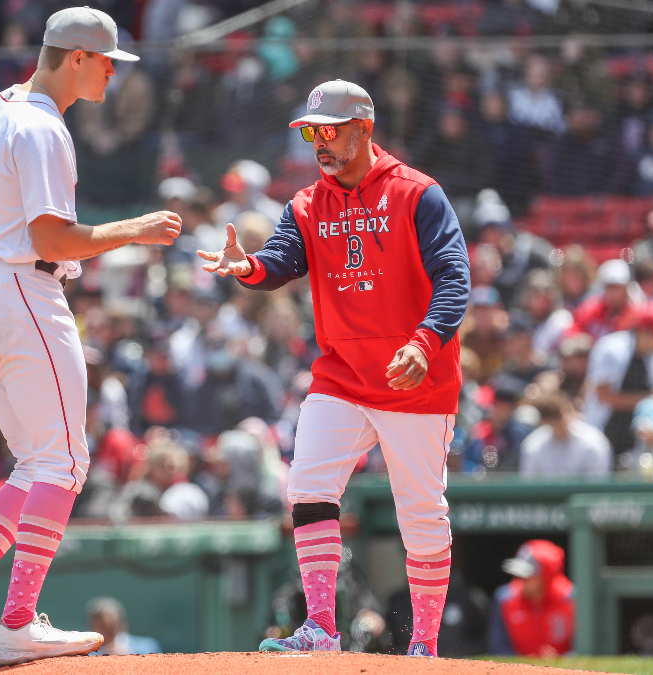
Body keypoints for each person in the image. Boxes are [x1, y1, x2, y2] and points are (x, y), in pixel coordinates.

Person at [0, 7, 180, 669]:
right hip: (24, 289)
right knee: (64, 464)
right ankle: (18, 620)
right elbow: (52, 239)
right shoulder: (42, 126)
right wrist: (134, 228)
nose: (114, 72)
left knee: (36, 464)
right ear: (78, 56)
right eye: (109, 59)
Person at [198, 79, 471, 658]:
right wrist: (246, 266)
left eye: (331, 130)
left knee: (421, 512)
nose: (319, 142)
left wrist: (424, 344)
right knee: (308, 488)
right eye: (312, 131)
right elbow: (280, 262)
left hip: (412, 376)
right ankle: (321, 628)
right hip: (343, 374)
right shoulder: (306, 202)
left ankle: (424, 644)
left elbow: (455, 279)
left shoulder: (418, 194)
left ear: (364, 129)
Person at [583, 302, 653, 457]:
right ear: (642, 332)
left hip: (649, 443)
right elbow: (604, 396)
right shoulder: (610, 349)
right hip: (605, 434)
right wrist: (649, 398)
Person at [487, 540, 575, 657]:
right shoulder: (504, 599)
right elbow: (498, 649)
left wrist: (559, 660)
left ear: (546, 575)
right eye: (520, 576)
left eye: (528, 576)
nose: (522, 581)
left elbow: (584, 651)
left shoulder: (572, 599)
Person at [519, 390, 612, 478]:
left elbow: (597, 483)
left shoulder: (593, 441)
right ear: (545, 422)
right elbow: (530, 483)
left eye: (564, 418)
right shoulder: (534, 445)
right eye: (556, 424)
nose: (562, 426)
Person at [85, 597, 161, 656]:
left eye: (111, 625)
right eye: (101, 626)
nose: (106, 630)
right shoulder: (84, 654)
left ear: (122, 623)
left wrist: (128, 656)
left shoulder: (148, 647)